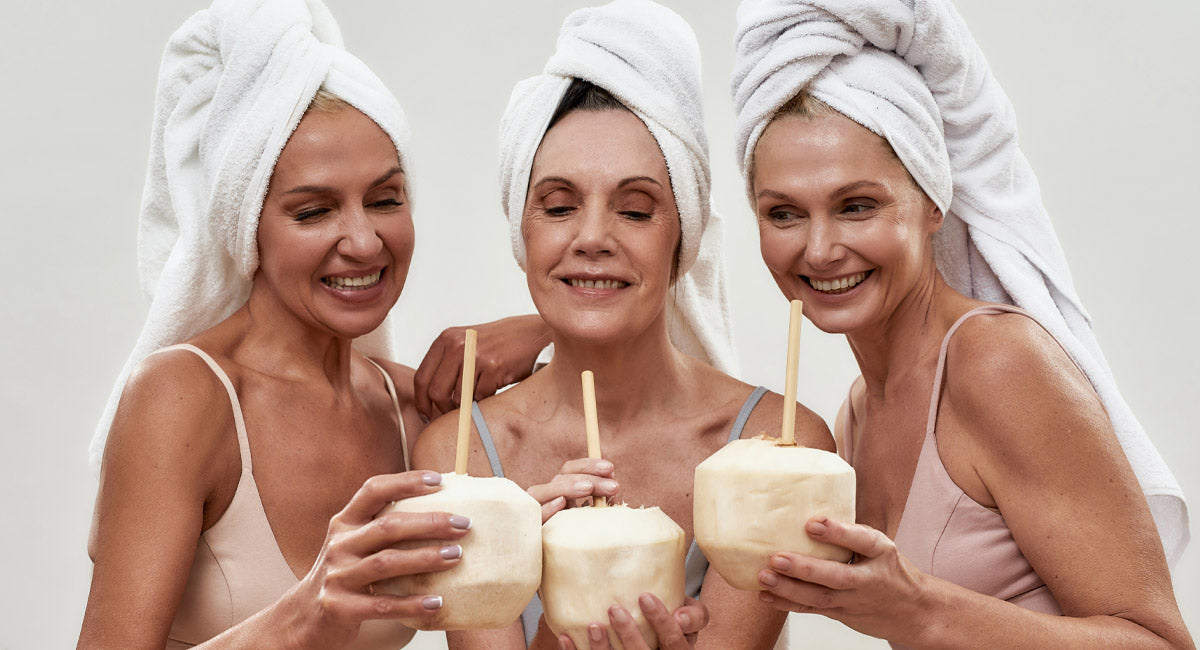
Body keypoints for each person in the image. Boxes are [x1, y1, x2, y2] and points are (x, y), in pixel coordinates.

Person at [730, 0, 1193, 648]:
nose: (820, 248)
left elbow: (1163, 643)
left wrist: (919, 610)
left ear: (932, 202)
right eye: (783, 214)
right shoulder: (857, 418)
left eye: (857, 206)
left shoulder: (997, 364)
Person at [414, 2, 833, 649]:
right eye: (558, 206)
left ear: (681, 236)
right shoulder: (459, 455)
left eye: (635, 211)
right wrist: (570, 602)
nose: (591, 237)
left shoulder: (780, 442)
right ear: (522, 231)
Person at [78, 1, 470, 647]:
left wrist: (538, 328)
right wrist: (305, 615)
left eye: (385, 199)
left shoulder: (411, 410)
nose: (366, 242)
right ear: (247, 229)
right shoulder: (185, 399)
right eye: (313, 211)